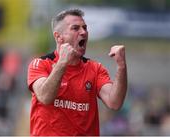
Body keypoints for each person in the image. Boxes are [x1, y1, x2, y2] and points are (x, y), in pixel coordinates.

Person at [27, 8, 127, 136]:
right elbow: (45, 97)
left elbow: (115, 103)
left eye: (85, 28)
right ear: (58, 37)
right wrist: (62, 63)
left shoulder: (95, 69)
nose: (83, 32)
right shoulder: (40, 63)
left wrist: (121, 66)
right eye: (75, 28)